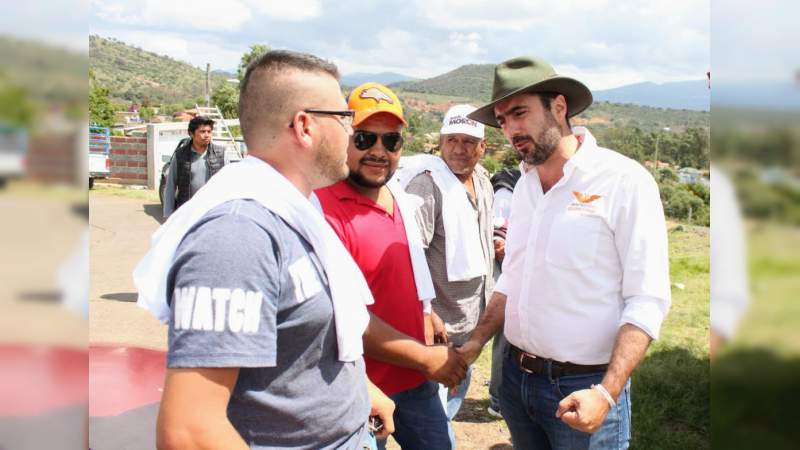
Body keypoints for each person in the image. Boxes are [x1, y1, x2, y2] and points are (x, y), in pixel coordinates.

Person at [134, 50, 394, 450]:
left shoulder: (295, 209)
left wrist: (358, 391)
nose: (351, 131)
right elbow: (189, 432)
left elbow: (303, 338)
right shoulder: (238, 235)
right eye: (344, 118)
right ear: (304, 126)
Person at [458, 55, 672, 449]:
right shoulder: (525, 185)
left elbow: (648, 298)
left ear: (559, 107)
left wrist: (606, 393)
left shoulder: (624, 181)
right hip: (516, 380)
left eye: (519, 113)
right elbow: (513, 276)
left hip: (584, 389)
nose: (510, 129)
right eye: (502, 120)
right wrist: (477, 340)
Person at [316, 82, 464, 450]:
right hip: (359, 387)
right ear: (343, 138)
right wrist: (427, 358)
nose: (379, 151)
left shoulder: (397, 195)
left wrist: (426, 311)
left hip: (414, 380)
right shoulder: (323, 210)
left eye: (391, 140)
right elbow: (341, 314)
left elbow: (403, 267)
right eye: (364, 138)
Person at [400, 104, 495, 448]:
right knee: (434, 425)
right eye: (451, 140)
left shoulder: (482, 180)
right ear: (440, 142)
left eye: (468, 141)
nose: (459, 149)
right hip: (438, 331)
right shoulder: (427, 185)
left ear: (483, 147)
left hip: (471, 324)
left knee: (450, 406)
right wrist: (427, 312)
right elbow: (409, 254)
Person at [486, 167, 520, 418]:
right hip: (507, 271)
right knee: (506, 336)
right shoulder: (507, 191)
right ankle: (498, 399)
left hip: (512, 270)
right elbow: (499, 237)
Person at [162, 115, 227, 218]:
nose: (207, 135)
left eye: (209, 131)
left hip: (213, 212)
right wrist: (168, 214)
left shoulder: (221, 154)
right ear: (191, 133)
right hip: (187, 213)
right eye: (202, 132)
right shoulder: (180, 155)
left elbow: (228, 185)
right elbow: (170, 186)